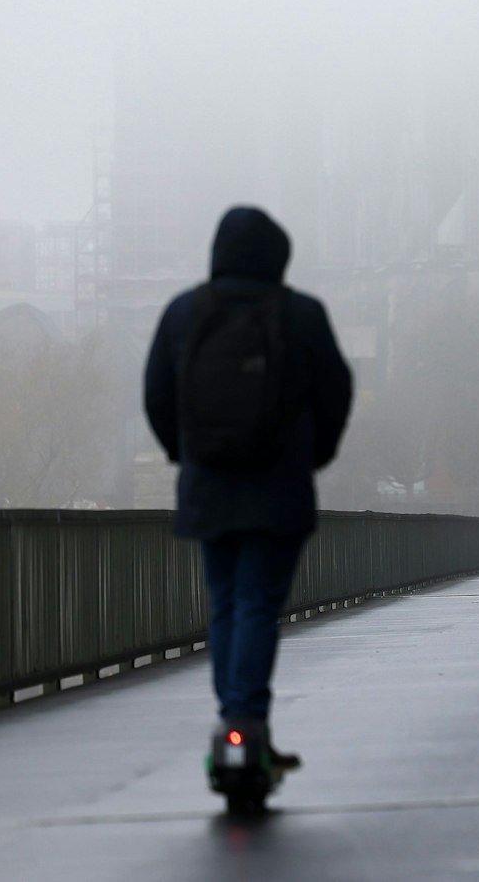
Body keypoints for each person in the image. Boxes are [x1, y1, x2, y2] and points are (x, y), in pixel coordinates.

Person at [143, 207, 353, 769]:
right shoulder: (301, 314)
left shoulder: (183, 313)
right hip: (278, 487)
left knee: (227, 604)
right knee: (259, 604)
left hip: (208, 487)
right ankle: (246, 723)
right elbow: (337, 390)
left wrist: (184, 453)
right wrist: (316, 454)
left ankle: (234, 723)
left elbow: (157, 395)